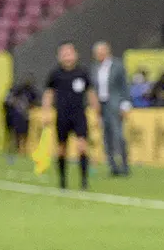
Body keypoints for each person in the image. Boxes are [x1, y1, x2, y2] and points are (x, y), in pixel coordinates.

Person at [42, 41, 98, 189]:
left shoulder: (82, 72)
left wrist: (96, 112)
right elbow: (49, 94)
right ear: (59, 56)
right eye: (64, 54)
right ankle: (62, 180)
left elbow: (91, 93)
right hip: (62, 116)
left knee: (82, 146)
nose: (67, 56)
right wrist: (46, 112)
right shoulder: (55, 74)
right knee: (61, 148)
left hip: (79, 115)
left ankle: (84, 181)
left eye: (69, 53)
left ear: (75, 54)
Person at [91, 41, 130, 176]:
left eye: (101, 51)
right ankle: (112, 166)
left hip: (115, 104)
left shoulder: (117, 66)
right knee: (106, 137)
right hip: (102, 105)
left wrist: (125, 104)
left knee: (118, 136)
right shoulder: (95, 68)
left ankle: (124, 165)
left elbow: (124, 85)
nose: (98, 54)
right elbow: (93, 89)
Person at [3, 81, 38, 163]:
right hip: (14, 118)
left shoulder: (28, 94)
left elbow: (34, 102)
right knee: (15, 135)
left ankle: (22, 150)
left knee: (24, 134)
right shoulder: (13, 96)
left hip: (23, 118)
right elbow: (6, 104)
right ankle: (15, 149)